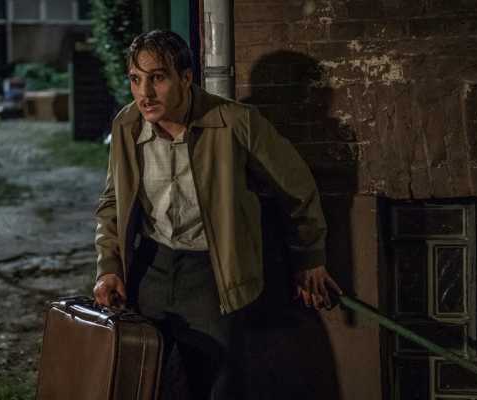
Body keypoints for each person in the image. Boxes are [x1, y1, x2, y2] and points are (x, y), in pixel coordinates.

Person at [92, 30, 343, 399]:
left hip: (213, 274)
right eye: (135, 79)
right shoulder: (126, 125)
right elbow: (113, 201)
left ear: (185, 77)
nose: (144, 93)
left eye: (157, 78)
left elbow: (297, 188)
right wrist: (109, 266)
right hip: (150, 269)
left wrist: (309, 257)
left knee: (220, 385)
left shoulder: (235, 122)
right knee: (145, 381)